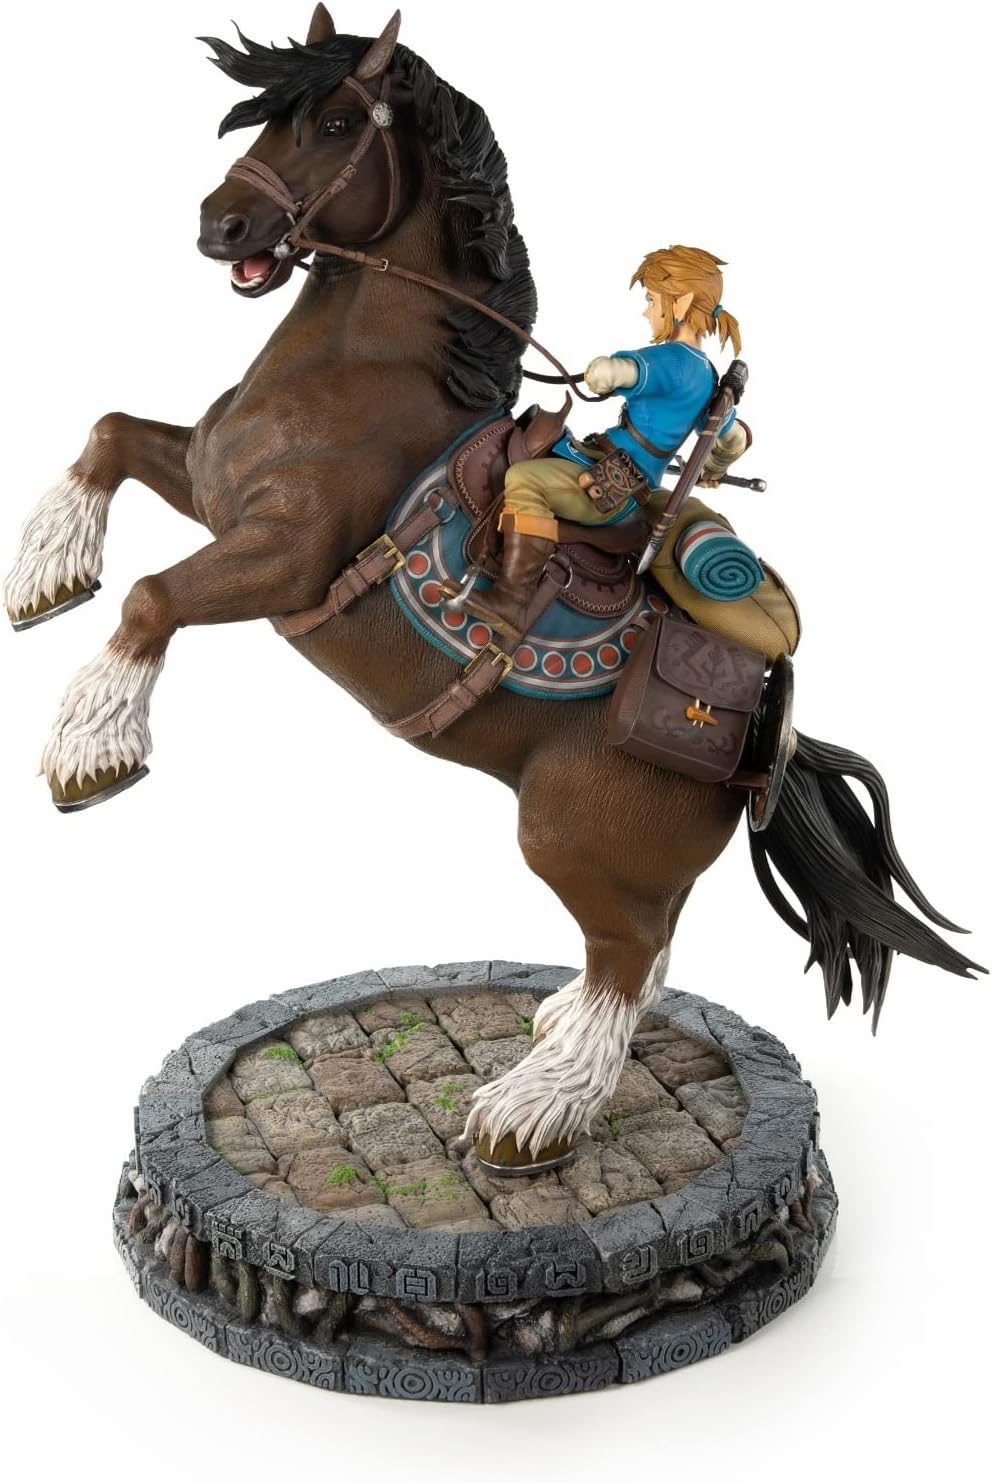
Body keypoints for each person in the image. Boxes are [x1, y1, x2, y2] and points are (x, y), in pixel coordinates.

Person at [460, 245, 800, 661]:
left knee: (524, 479)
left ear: (682, 303)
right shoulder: (708, 376)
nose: (647, 312)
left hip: (614, 488)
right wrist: (712, 468)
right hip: (619, 474)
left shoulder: (674, 361)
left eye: (652, 300)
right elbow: (732, 440)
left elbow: (620, 372)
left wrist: (605, 372)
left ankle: (511, 601)